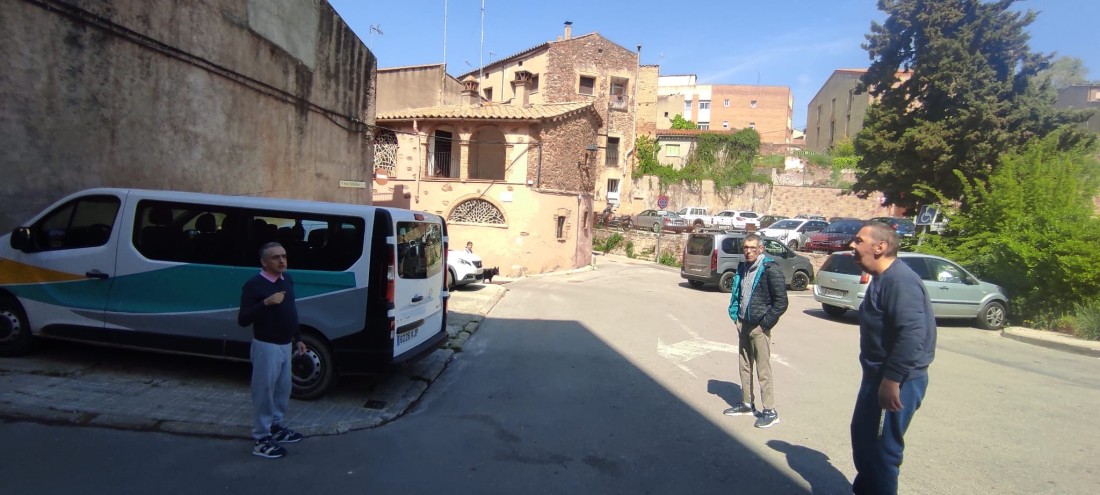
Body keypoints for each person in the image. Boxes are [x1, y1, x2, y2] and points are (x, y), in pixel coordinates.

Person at [848, 222, 937, 494]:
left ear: (880, 247)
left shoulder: (900, 281)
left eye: (859, 240)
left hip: (899, 381)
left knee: (884, 451)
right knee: (863, 439)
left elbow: (913, 334)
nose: (852, 245)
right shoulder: (881, 278)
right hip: (876, 377)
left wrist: (892, 380)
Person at [238, 242, 308, 459]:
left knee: (283, 389)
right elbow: (243, 319)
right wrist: (265, 303)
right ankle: (261, 438)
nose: (282, 261)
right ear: (264, 262)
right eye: (276, 257)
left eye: (284, 256)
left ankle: (276, 426)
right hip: (266, 346)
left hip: (286, 344)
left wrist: (298, 338)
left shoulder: (287, 279)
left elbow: (291, 310)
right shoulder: (254, 285)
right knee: (264, 391)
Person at [724, 234, 788, 428]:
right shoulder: (743, 267)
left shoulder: (770, 269)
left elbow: (781, 302)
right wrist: (736, 317)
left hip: (759, 327)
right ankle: (746, 403)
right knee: (744, 365)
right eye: (746, 248)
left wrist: (765, 324)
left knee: (763, 369)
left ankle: (770, 411)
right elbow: (739, 293)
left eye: (752, 248)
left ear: (761, 249)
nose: (748, 251)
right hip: (743, 323)